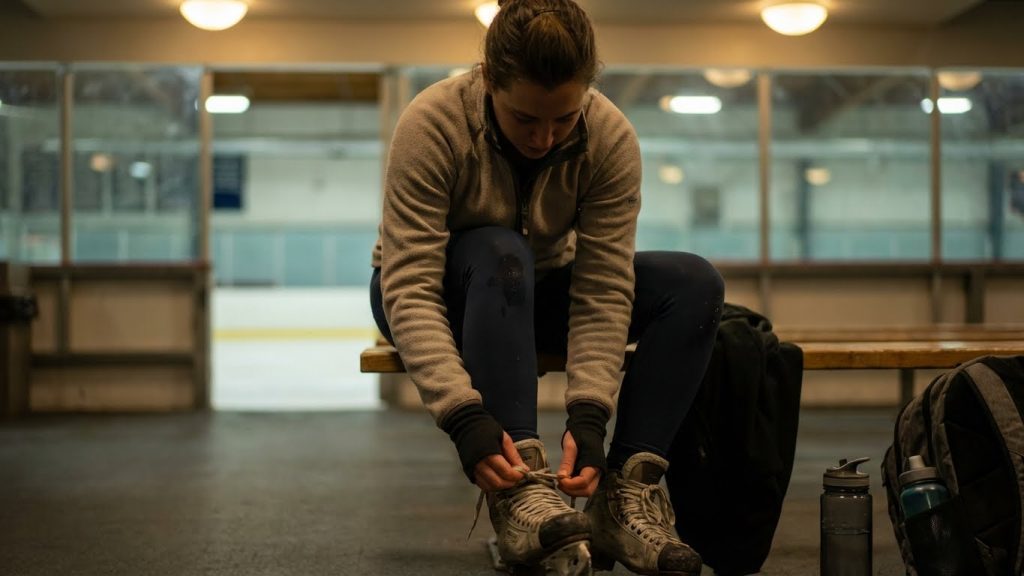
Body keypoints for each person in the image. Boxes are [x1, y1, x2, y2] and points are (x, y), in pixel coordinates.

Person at [369, 0, 724, 574]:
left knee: (693, 282)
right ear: (489, 81)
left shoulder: (610, 137)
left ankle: (626, 495)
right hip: (435, 291)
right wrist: (464, 419)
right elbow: (409, 284)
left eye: (562, 119)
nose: (545, 137)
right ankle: (521, 494)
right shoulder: (432, 122)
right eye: (525, 119)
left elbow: (605, 285)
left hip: (538, 287)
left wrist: (590, 418)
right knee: (498, 248)